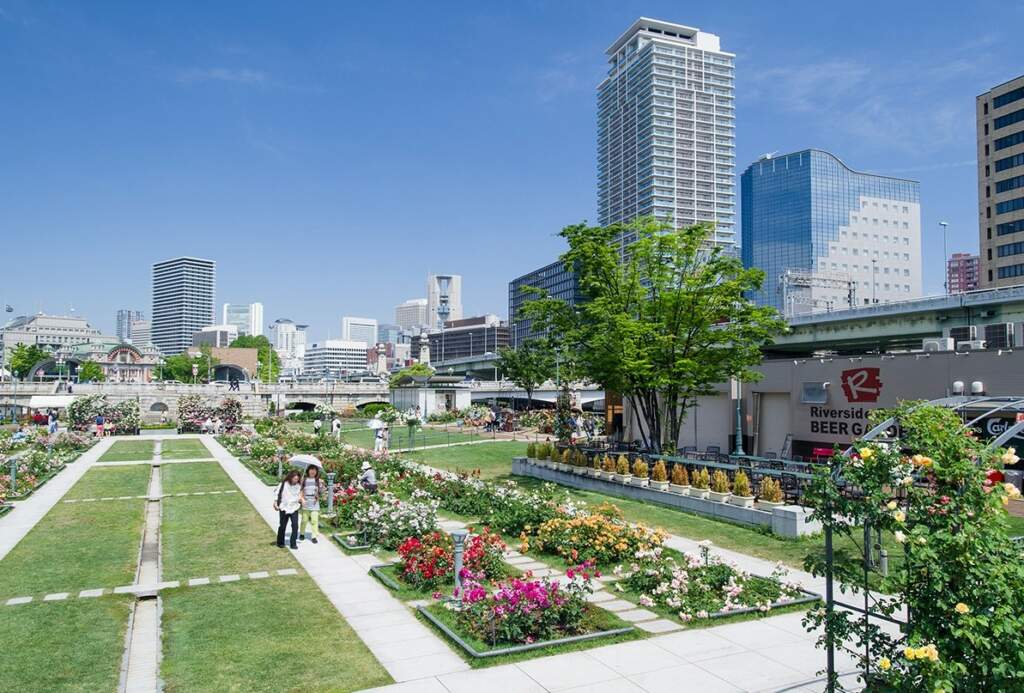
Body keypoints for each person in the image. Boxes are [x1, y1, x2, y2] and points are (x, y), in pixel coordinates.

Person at [274, 470, 302, 549]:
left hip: (294, 507)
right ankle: (280, 542)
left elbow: (299, 496)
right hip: (284, 507)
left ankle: (293, 543)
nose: (295, 480)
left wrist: (300, 499)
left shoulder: (299, 486)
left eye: (297, 479)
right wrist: (275, 503)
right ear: (290, 477)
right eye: (294, 479)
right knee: (282, 526)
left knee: (295, 526)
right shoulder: (283, 484)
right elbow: (277, 493)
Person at [299, 465, 324, 544]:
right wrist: (302, 499)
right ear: (308, 471)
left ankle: (314, 536)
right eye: (311, 469)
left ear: (316, 472)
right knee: (304, 520)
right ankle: (302, 533)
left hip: (314, 503)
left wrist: (321, 485)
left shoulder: (318, 480)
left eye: (314, 470)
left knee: (314, 520)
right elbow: (300, 491)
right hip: (306, 502)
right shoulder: (304, 480)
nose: (313, 471)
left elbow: (321, 492)